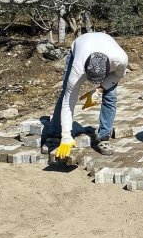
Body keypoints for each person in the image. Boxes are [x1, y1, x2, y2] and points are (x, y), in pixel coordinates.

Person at [45, 32, 128, 160]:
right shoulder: (78, 68)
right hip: (80, 46)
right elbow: (68, 101)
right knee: (65, 94)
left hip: (106, 44)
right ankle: (56, 133)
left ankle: (104, 137)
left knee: (110, 97)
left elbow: (118, 75)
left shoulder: (120, 60)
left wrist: (100, 90)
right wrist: (67, 135)